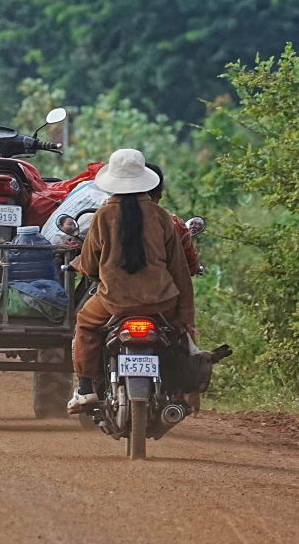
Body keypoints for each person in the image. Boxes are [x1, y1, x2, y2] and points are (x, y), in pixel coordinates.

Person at [67, 148, 196, 413]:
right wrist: (185, 317)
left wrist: (88, 269)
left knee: (85, 324)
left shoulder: (103, 215)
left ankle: (86, 389)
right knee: (178, 335)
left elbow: (90, 265)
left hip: (114, 302)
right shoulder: (161, 216)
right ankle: (180, 391)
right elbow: (180, 270)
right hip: (161, 302)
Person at [146, 163, 203, 275]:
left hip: (111, 290)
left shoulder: (105, 218)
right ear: (159, 193)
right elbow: (191, 264)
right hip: (157, 290)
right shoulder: (172, 223)